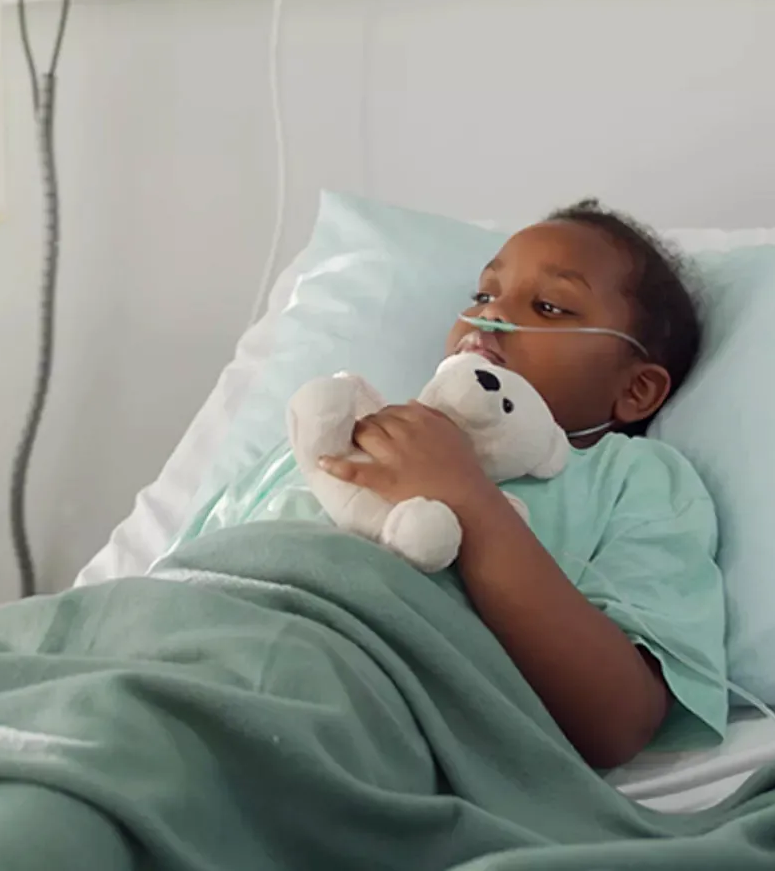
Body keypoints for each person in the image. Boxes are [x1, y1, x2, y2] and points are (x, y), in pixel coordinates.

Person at [173, 198, 725, 769]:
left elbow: (618, 722)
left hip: (332, 716)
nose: (490, 318)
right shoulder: (329, 431)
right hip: (178, 665)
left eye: (549, 305)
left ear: (636, 390)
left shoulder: (631, 479)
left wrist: (469, 500)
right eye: (483, 295)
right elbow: (162, 590)